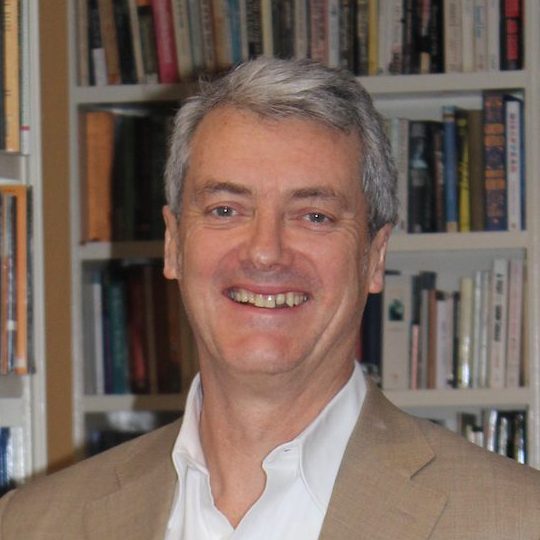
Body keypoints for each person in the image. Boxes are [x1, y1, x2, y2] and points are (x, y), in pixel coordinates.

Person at [1, 57, 539, 539]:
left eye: (314, 216)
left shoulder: (518, 521)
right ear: (173, 245)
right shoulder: (30, 525)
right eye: (226, 210)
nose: (265, 252)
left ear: (374, 257)